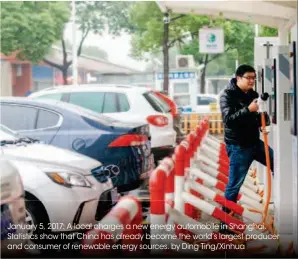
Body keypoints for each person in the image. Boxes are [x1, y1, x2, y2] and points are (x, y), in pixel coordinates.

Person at [219, 64, 274, 233]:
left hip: (255, 143)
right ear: (238, 78)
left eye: (253, 78)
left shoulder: (253, 94)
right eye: (248, 78)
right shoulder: (227, 95)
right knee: (234, 185)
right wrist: (248, 110)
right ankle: (225, 224)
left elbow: (257, 118)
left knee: (278, 163)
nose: (251, 81)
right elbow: (229, 119)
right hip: (238, 146)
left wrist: (263, 118)